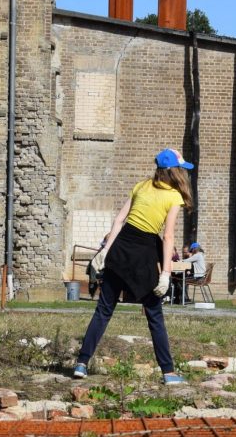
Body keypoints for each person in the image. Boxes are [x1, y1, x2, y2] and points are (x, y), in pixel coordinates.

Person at [72, 148, 194, 385]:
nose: (183, 174)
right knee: (154, 314)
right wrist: (166, 273)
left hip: (120, 250)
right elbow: (168, 237)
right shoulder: (174, 197)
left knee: (103, 311)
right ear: (174, 171)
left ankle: (81, 363)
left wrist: (105, 251)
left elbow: (119, 220)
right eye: (181, 169)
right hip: (143, 256)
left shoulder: (141, 186)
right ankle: (168, 373)